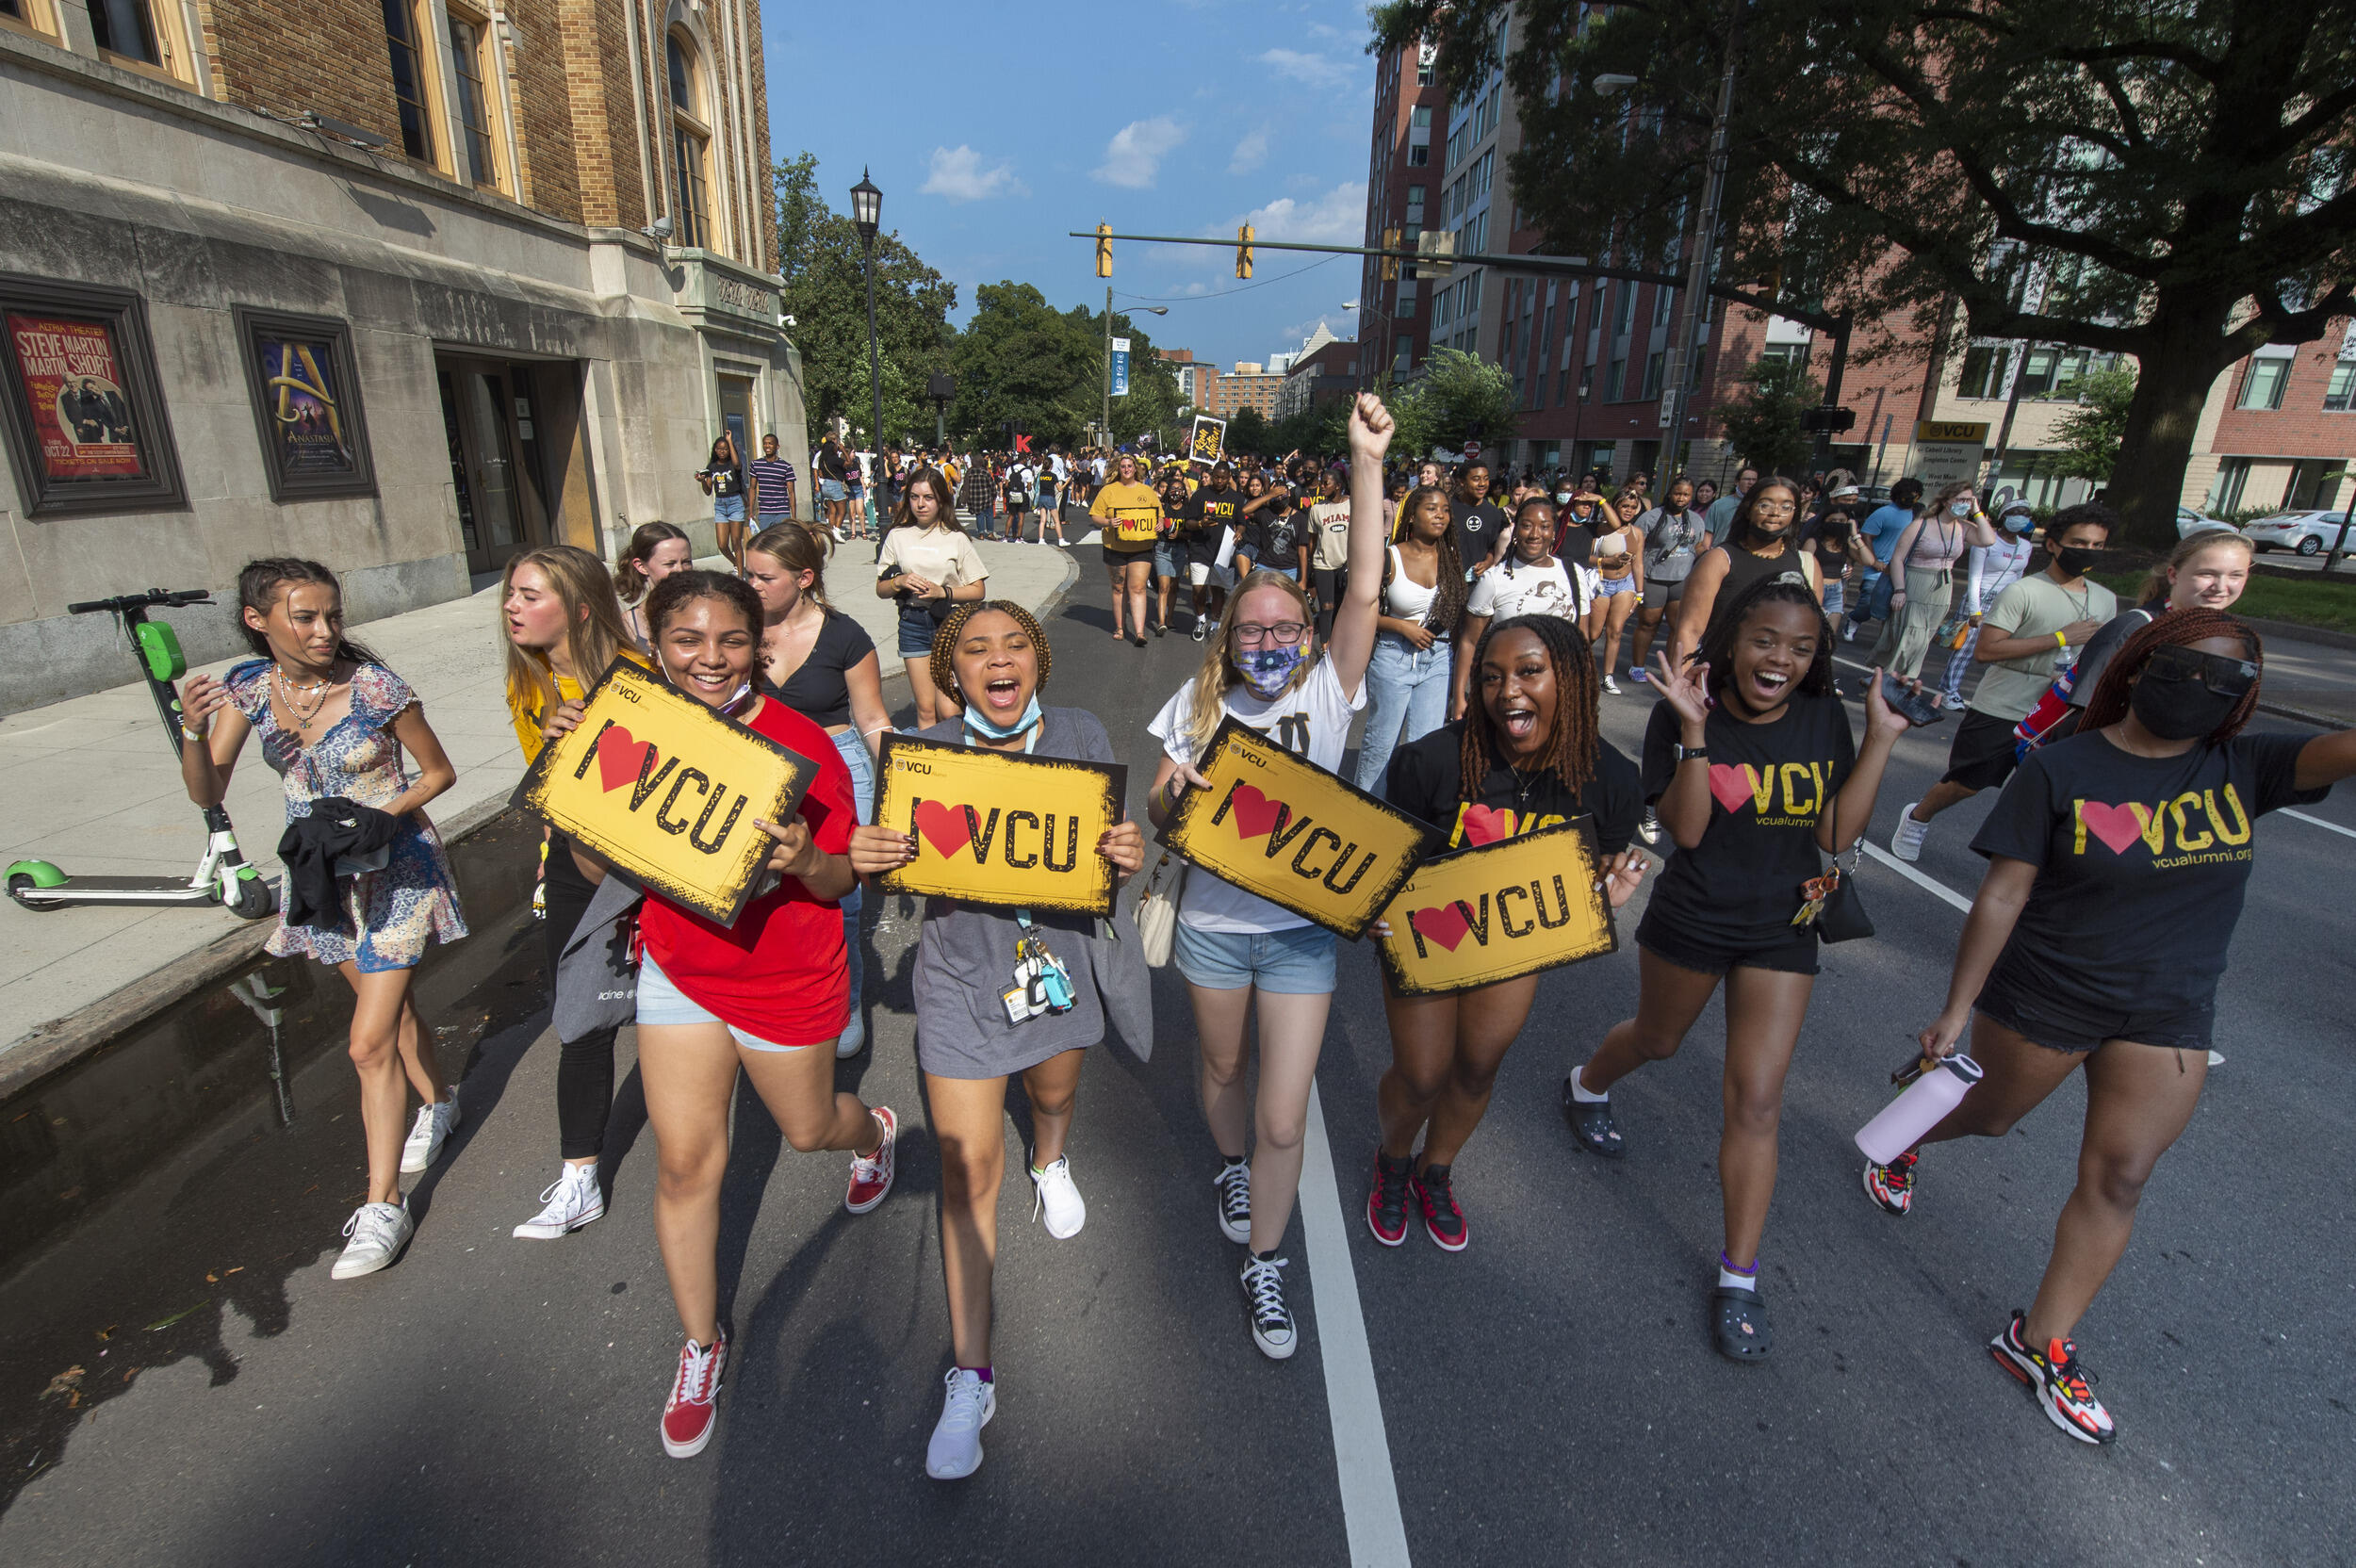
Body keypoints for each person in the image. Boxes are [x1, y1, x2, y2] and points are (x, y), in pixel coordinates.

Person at [1871, 610, 2354, 1444]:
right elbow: (2003, 895)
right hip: (2051, 994)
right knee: (1989, 1118)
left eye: (2228, 681)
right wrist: (1956, 1009)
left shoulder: (2245, 765)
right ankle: (1911, 1132)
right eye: (2185, 668)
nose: (2203, 690)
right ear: (2136, 667)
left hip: (2170, 1008)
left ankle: (2040, 1341)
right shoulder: (2061, 768)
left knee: (2122, 1176)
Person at [1562, 576, 1908, 1360]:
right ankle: (1586, 1082)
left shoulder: (1824, 717)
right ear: (1731, 642)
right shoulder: (1681, 709)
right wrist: (1693, 732)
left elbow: (1833, 832)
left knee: (1757, 1102)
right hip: (1695, 915)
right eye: (1764, 641)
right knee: (1657, 1041)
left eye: (1800, 647)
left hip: (1784, 926)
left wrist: (1882, 738)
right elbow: (1686, 831)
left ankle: (1740, 1276)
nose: (1780, 659)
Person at [848, 600, 1148, 1479]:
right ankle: (970, 1374)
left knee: (1052, 1100)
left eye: (1015, 644)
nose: (998, 659)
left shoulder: (1085, 731)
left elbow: (1109, 846)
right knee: (965, 1167)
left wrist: (1123, 848)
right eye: (975, 649)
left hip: (1056, 965)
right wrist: (873, 851)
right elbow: (892, 861)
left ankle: (1050, 1159)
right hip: (958, 974)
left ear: (1039, 660)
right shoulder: (924, 755)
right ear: (951, 672)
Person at [623, 569, 896, 1461]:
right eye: (689, 640)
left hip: (784, 968)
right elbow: (596, 865)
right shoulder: (631, 723)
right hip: (679, 964)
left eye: (732, 640)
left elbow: (838, 878)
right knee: (685, 1162)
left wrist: (804, 856)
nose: (710, 658)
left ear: (760, 645)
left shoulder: (795, 743)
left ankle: (873, 1134)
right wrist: (572, 768)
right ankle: (701, 1344)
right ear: (657, 642)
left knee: (810, 1128)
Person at [1146, 391, 1391, 1361]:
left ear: (1305, 632)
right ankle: (1230, 1165)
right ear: (1227, 637)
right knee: (1220, 1071)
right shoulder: (1196, 701)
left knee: (1286, 1109)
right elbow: (1160, 810)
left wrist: (1365, 462)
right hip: (1211, 923)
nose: (1267, 640)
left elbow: (1366, 590)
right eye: (1250, 629)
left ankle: (1266, 1258)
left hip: (1297, 936)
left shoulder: (1329, 689)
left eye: (1284, 625)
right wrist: (1179, 794)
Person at [178, 559, 467, 1279]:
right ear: (258, 620)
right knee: (391, 1015)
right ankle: (440, 1100)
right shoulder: (249, 690)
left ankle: (382, 1208)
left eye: (332, 615)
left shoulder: (374, 687)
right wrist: (192, 730)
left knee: (368, 1043)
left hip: (397, 868)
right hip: (320, 877)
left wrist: (380, 818)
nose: (324, 631)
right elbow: (207, 789)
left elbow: (438, 774)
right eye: (305, 617)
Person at [1369, 614, 1649, 1249]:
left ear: (1572, 680)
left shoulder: (1612, 779)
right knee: (1420, 1074)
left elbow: (1590, 884)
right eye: (1491, 676)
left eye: (1529, 672)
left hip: (1513, 947)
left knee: (1475, 1068)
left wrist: (1606, 895)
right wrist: (1374, 907)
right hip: (1428, 939)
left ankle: (1434, 1172)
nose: (1507, 692)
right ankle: (1392, 1159)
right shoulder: (1432, 761)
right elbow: (1387, 859)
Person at [499, 546, 650, 1240]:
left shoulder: (643, 676)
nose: (512, 606)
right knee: (580, 1014)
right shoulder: (527, 682)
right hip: (570, 864)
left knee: (669, 1015)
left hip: (647, 869)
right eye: (511, 594)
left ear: (582, 608)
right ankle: (579, 1179)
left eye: (531, 596)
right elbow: (548, 791)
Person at [1890, 503, 2119, 861]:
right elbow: (1987, 651)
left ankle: (2022, 863)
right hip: (2004, 702)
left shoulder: (2106, 600)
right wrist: (2060, 638)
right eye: (2079, 542)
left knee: (2049, 791)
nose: (2087, 552)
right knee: (1967, 782)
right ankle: (1918, 816)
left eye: (2097, 546)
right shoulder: (2023, 591)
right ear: (2054, 545)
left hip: (2060, 711)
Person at [747, 524, 890, 1057]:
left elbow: (873, 720)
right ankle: (772, 993)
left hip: (838, 769)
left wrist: (908, 785)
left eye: (765, 576)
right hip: (760, 768)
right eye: (748, 574)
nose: (751, 585)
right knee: (763, 892)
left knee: (842, 902)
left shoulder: (846, 635)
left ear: (804, 578)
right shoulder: (739, 627)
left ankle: (844, 1001)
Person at [1351, 483, 1465, 791]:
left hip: (1438, 658)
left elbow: (1458, 609)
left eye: (1444, 510)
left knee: (1426, 745)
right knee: (1381, 743)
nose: (1440, 516)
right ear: (1412, 516)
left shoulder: (1451, 558)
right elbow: (1358, 612)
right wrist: (1402, 627)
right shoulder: (1389, 558)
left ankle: (1413, 815)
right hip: (1393, 656)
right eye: (1431, 509)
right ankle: (1366, 808)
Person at [1450, 497, 1584, 720]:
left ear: (1554, 532)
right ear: (1515, 530)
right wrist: (1459, 697)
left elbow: (1583, 639)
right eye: (1526, 525)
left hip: (1561, 694)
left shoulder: (1574, 574)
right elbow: (1469, 642)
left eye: (1544, 526)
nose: (1535, 534)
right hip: (1508, 695)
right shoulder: (1495, 579)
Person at [877, 466, 990, 728]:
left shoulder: (957, 539)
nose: (920, 504)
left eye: (928, 497)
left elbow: (978, 590)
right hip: (912, 622)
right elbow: (881, 588)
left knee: (949, 709)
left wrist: (944, 592)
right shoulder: (897, 536)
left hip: (949, 623)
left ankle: (959, 759)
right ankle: (933, 765)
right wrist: (899, 581)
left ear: (941, 500)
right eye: (914, 497)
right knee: (926, 711)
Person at [1671, 476, 1821, 670]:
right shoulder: (1719, 559)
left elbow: (1813, 634)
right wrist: (1681, 686)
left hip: (1779, 682)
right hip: (1720, 679)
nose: (1775, 513)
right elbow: (1690, 630)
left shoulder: (1807, 564)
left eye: (1786, 507)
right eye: (1765, 505)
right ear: (1749, 509)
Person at [1869, 481, 1996, 681]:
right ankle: (1888, 677)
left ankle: (1900, 678)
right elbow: (1897, 558)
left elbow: (1988, 540)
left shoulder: (1963, 527)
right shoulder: (1921, 524)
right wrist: (1900, 589)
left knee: (1923, 638)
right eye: (1961, 499)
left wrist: (1977, 511)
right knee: (1908, 635)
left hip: (1942, 587)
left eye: (1969, 500)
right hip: (1915, 583)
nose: (1965, 504)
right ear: (1946, 501)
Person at [1937, 498, 2039, 709]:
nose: (2021, 517)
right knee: (1965, 647)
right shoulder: (1987, 542)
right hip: (1981, 597)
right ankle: (1949, 691)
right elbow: (1975, 577)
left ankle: (1993, 693)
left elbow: (2019, 575)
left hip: (2008, 601)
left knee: (2000, 649)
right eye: (2017, 512)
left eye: (2026, 513)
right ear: (2004, 516)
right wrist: (1975, 609)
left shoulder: (2026, 546)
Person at [1627, 477, 1711, 685]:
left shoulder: (1695, 519)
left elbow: (1698, 546)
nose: (1681, 498)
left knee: (1678, 626)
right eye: (1677, 494)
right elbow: (1635, 546)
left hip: (1682, 580)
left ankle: (1674, 670)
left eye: (1685, 495)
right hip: (1654, 578)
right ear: (1669, 493)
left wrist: (1709, 559)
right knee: (1648, 624)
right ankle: (1637, 666)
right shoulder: (1651, 518)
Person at [1089, 451, 1161, 645]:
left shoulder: (1147, 491)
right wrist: (1108, 522)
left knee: (1138, 588)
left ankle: (1139, 632)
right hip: (1115, 546)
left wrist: (1160, 523)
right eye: (1123, 466)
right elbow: (1095, 516)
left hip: (1142, 546)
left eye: (1130, 466)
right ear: (1118, 469)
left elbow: (1159, 514)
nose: (1127, 469)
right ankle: (1120, 627)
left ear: (1136, 468)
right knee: (1118, 588)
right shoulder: (1108, 491)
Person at [1582, 493, 1644, 695]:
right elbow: (1586, 557)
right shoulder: (1602, 529)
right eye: (1624, 505)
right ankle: (1578, 664)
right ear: (1615, 507)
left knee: (1616, 631)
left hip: (1625, 584)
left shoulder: (1637, 533)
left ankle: (1607, 677)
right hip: (1602, 584)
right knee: (1593, 633)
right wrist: (1606, 562)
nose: (1629, 510)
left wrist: (1640, 592)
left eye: (1633, 507)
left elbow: (1638, 564)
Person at [1851, 478, 1924, 641]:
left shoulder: (1917, 516)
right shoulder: (1884, 513)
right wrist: (1874, 560)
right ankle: (1855, 619)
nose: (1911, 499)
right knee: (1868, 603)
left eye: (1915, 495)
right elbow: (1867, 535)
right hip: (1878, 569)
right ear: (1898, 494)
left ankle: (1883, 642)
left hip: (1901, 570)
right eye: (1907, 495)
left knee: (1893, 609)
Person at [1181, 464, 1246, 641]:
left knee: (1218, 590)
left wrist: (1239, 531)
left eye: (1223, 478)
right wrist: (1200, 524)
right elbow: (1188, 523)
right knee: (1198, 589)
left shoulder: (1236, 498)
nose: (1219, 480)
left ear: (1229, 477)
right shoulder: (1200, 495)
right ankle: (1201, 620)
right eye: (1216, 477)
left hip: (1223, 551)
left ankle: (1216, 625)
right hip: (1200, 548)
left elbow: (1241, 522)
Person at [614, 522, 695, 654]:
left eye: (686, 562)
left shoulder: (708, 608)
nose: (680, 570)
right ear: (641, 566)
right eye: (670, 563)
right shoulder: (629, 624)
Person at [1804, 502, 1873, 635]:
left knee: (1829, 636)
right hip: (1814, 589)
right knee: (1810, 633)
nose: (1837, 524)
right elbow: (1804, 567)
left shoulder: (1846, 544)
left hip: (1836, 591)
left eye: (1842, 521)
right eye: (1833, 520)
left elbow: (1869, 561)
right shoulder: (1813, 542)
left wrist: (1855, 535)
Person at [1236, 470, 1309, 583]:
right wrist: (1269, 495)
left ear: (1289, 493)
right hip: (1265, 567)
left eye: (1282, 494)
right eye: (1277, 496)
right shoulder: (1266, 513)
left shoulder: (1300, 518)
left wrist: (1303, 579)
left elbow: (1302, 550)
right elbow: (1245, 510)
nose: (1280, 498)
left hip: (1289, 569)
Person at [1306, 465, 1352, 640]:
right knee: (1326, 606)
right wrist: (1310, 567)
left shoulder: (1352, 505)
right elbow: (1312, 540)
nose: (1322, 487)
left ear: (1338, 485)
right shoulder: (1317, 509)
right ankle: (1325, 647)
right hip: (1323, 564)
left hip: (1346, 564)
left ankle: (1338, 644)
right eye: (1322, 483)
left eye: (1326, 484)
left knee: (1341, 607)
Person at [696, 435, 748, 573]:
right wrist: (702, 481)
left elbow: (737, 464)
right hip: (720, 505)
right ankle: (737, 564)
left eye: (725, 449)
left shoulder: (733, 464)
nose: (722, 451)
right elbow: (708, 491)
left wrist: (730, 441)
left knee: (736, 542)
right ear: (715, 450)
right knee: (722, 544)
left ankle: (741, 577)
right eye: (719, 448)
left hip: (735, 502)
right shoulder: (711, 467)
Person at [1151, 467, 1193, 636]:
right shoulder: (1162, 508)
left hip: (1180, 549)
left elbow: (1192, 532)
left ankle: (1170, 618)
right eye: (1173, 489)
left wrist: (1180, 534)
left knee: (1174, 587)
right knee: (1164, 587)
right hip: (1162, 549)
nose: (1177, 492)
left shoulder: (1188, 510)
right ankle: (1161, 622)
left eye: (1180, 490)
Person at [1452, 462, 1513, 576]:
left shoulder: (1494, 512)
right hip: (1449, 579)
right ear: (1462, 482)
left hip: (1479, 581)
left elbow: (1492, 546)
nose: (1482, 484)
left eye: (1486, 479)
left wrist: (1487, 562)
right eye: (1476, 479)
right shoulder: (1448, 509)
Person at [749, 434, 798, 529]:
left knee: (783, 541)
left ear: (777, 446)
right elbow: (752, 488)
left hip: (782, 512)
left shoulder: (786, 467)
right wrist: (751, 511)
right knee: (766, 542)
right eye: (765, 443)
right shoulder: (756, 464)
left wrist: (794, 516)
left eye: (770, 443)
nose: (767, 446)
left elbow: (791, 493)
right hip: (765, 513)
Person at [1704, 465, 1756, 539]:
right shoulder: (1719, 505)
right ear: (1737, 482)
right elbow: (1707, 534)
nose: (1751, 482)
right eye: (1747, 479)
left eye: (1754, 480)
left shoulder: (1759, 506)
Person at [815, 435, 851, 542]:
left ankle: (831, 530)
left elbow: (820, 474)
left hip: (826, 485)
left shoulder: (822, 461)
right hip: (835, 485)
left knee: (832, 510)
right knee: (842, 511)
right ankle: (837, 529)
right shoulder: (834, 459)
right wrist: (844, 451)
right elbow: (848, 463)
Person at [1002, 457, 1032, 545]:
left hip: (1012, 495)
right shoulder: (1028, 471)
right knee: (1021, 517)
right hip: (1023, 495)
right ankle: (1019, 538)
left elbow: (1006, 484)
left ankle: (1006, 537)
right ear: (1024, 460)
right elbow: (1029, 487)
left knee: (1011, 516)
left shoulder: (1009, 469)